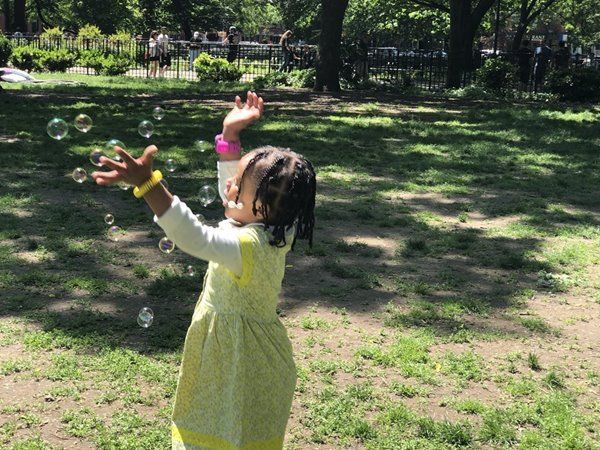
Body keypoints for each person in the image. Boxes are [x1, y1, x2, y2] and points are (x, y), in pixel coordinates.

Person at [90, 91, 316, 450]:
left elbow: (192, 236)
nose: (228, 186)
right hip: (245, 356)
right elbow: (236, 188)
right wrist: (229, 137)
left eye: (237, 185)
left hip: (241, 361)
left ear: (259, 207)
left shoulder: (248, 247)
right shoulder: (276, 227)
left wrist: (149, 186)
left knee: (221, 436)